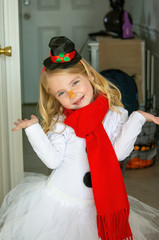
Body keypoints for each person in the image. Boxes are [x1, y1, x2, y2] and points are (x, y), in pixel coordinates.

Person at [0, 36, 159, 240]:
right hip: (62, 202)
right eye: (62, 93)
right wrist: (33, 129)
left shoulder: (114, 115)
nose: (73, 94)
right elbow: (53, 160)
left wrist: (137, 119)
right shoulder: (61, 122)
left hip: (99, 206)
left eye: (75, 82)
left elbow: (118, 153)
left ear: (90, 77)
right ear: (55, 98)